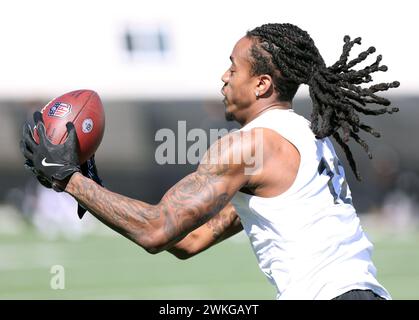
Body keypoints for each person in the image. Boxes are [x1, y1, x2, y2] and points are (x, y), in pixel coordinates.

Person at [20, 23, 400, 300]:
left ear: (261, 84)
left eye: (234, 68)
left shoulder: (250, 146)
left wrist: (68, 179)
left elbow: (156, 230)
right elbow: (189, 240)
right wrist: (92, 190)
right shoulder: (307, 137)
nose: (224, 76)